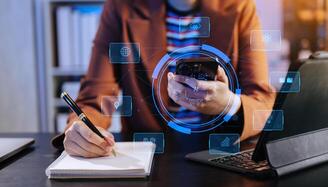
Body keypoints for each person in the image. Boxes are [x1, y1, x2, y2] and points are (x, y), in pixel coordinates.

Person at [52, 0, 276, 157]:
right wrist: (81, 129)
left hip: (220, 156)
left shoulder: (240, 6)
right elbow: (94, 98)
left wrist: (229, 105)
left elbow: (262, 102)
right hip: (147, 160)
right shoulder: (121, 6)